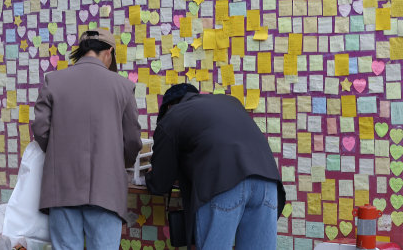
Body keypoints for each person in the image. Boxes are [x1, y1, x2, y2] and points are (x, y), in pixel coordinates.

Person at [32, 28, 142, 250]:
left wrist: (58, 153)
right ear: (109, 52)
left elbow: (41, 130)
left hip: (62, 186)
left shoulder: (53, 80)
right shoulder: (123, 86)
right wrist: (122, 163)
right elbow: (132, 140)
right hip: (107, 188)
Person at [145, 84, 285, 250]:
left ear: (169, 106)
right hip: (268, 181)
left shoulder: (173, 115)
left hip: (223, 182)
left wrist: (150, 174)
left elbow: (159, 183)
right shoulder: (230, 102)